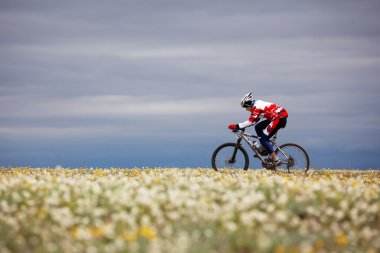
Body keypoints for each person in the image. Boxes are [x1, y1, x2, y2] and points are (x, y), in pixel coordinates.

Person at [228, 92, 288, 166]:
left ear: (248, 104)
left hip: (278, 118)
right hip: (277, 117)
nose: (246, 109)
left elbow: (250, 122)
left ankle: (276, 159)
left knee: (263, 139)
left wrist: (237, 126)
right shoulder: (257, 105)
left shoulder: (256, 107)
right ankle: (265, 148)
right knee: (258, 127)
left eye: (245, 107)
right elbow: (254, 122)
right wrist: (241, 126)